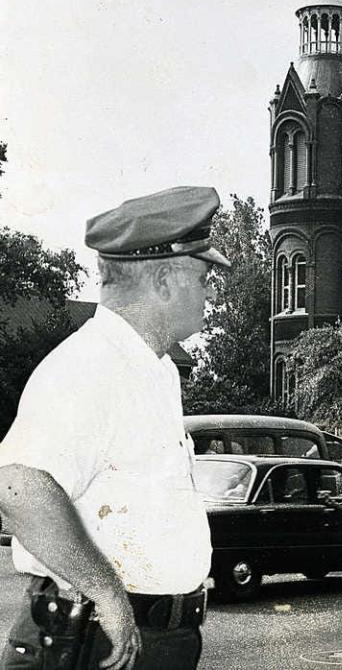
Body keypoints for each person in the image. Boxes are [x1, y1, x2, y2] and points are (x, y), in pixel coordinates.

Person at [0, 186, 232, 670]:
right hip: (89, 642)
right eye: (204, 276)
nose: (211, 291)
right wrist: (106, 593)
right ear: (166, 280)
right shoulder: (91, 366)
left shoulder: (154, 368)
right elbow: (17, 486)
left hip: (144, 639)